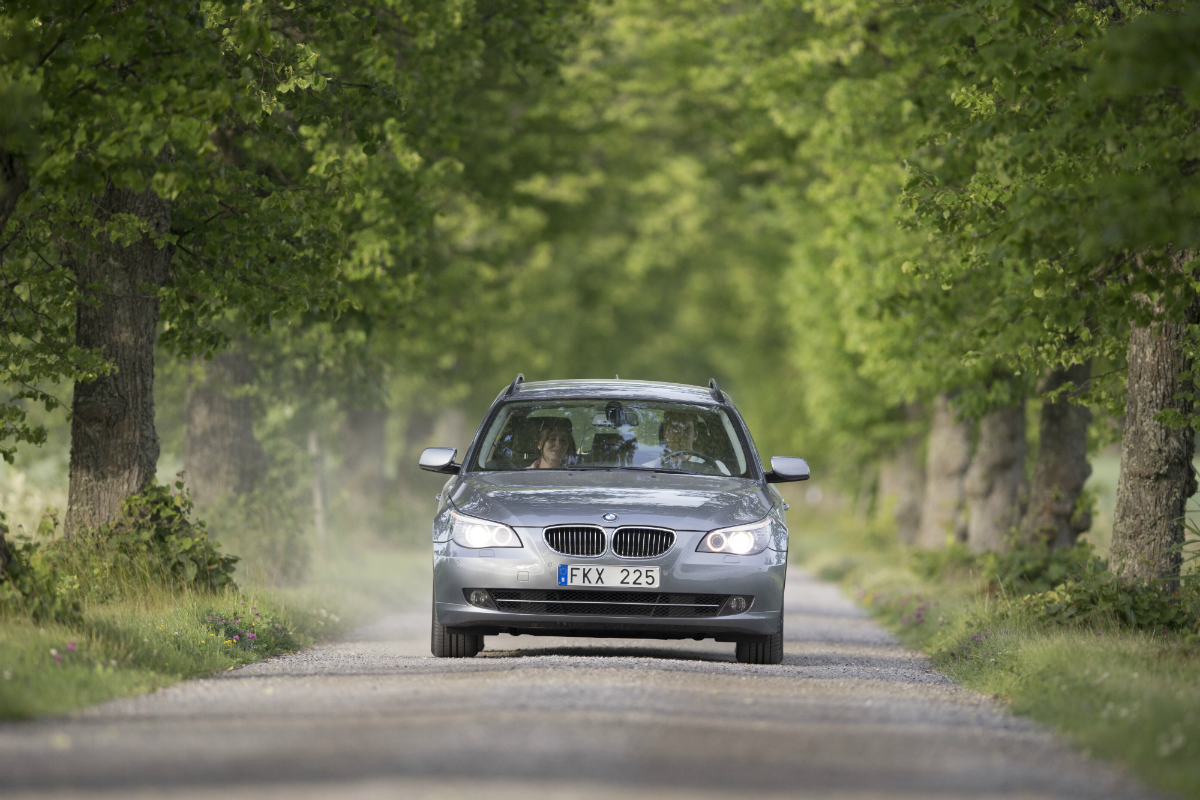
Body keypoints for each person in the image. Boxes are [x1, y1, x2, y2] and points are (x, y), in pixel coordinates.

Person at [645, 410, 730, 475]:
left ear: (695, 435)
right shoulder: (648, 469)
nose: (680, 435)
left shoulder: (717, 468)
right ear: (665, 433)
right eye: (674, 428)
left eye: (686, 428)